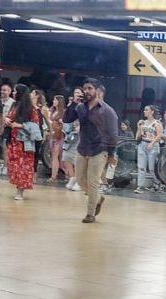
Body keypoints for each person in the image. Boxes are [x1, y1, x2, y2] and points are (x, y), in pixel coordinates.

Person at [67, 79, 119, 222]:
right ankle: (98, 198)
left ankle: (90, 214)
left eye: (90, 88)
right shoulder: (80, 107)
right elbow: (67, 119)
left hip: (99, 149)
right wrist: (73, 103)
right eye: (85, 88)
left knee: (93, 181)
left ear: (97, 90)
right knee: (79, 179)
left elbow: (113, 133)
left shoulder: (107, 110)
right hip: (82, 148)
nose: (86, 91)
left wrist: (111, 153)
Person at [2, 91, 42, 200]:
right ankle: (18, 187)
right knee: (15, 164)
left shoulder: (30, 108)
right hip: (14, 140)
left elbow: (35, 124)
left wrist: (19, 125)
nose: (14, 93)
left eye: (16, 90)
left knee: (23, 165)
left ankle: (20, 190)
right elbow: (9, 117)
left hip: (24, 141)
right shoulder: (15, 105)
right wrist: (7, 120)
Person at [135, 105, 161, 192]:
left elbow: (159, 135)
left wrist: (152, 143)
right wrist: (138, 127)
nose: (144, 111)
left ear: (152, 112)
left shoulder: (157, 123)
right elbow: (137, 136)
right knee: (141, 167)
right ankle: (140, 186)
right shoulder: (143, 122)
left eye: (146, 110)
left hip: (152, 146)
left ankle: (157, 182)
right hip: (142, 143)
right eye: (144, 110)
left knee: (151, 168)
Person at [46, 94, 66, 182]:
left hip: (60, 136)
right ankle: (66, 174)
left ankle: (53, 176)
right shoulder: (52, 111)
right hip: (52, 136)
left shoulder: (63, 112)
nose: (53, 101)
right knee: (56, 156)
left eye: (55, 100)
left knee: (56, 155)